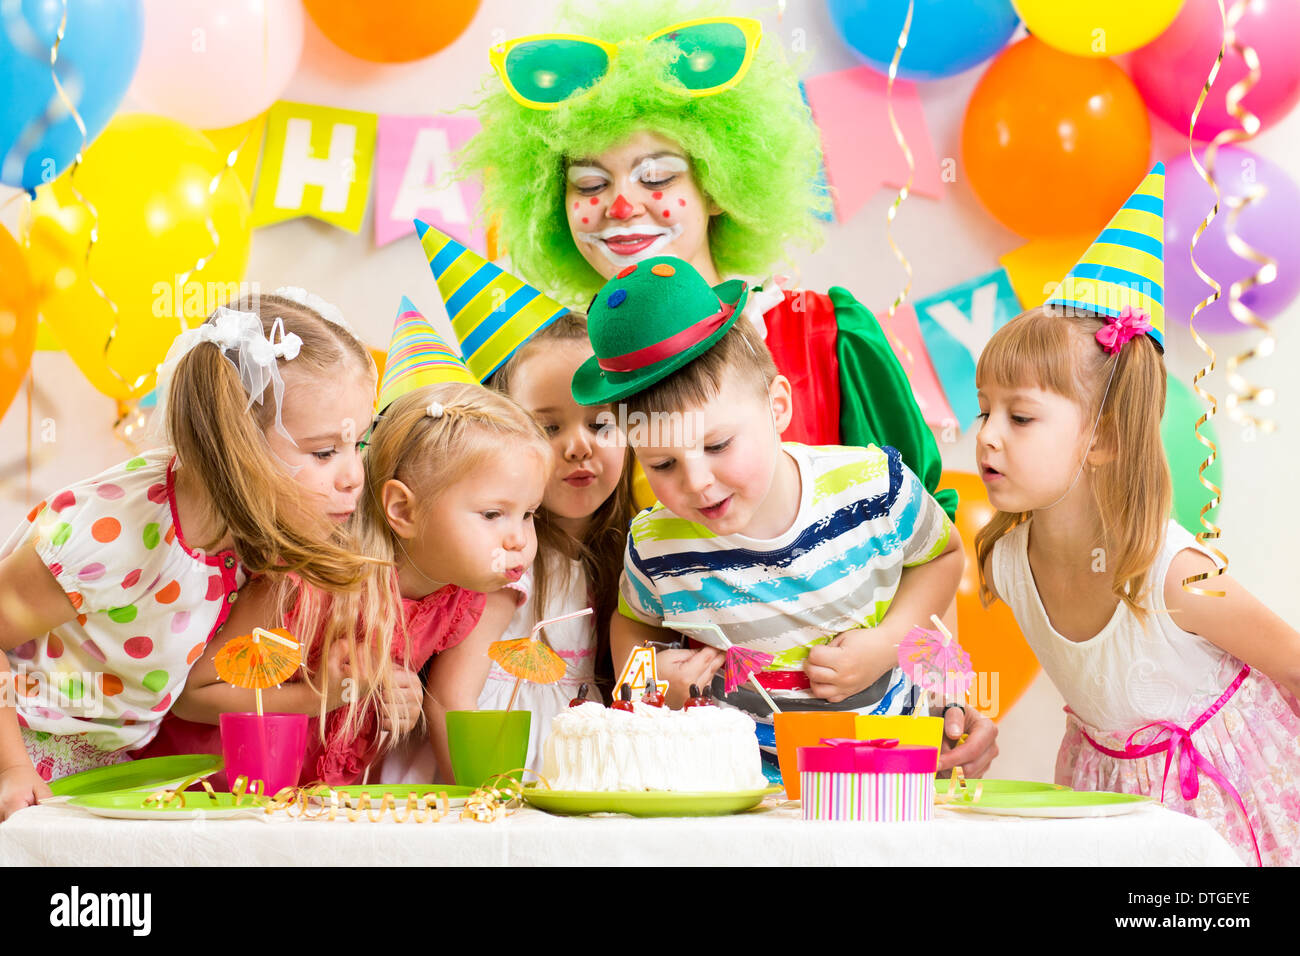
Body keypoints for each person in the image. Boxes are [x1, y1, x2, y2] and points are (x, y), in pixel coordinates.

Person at [461, 0, 957, 521]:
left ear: (718, 188)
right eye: (590, 184)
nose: (622, 205)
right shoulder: (549, 373)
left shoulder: (826, 335)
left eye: (657, 178)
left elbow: (926, 523)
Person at [974, 166, 1300, 865]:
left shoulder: (1176, 576)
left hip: (1227, 807)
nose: (987, 435)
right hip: (1105, 801)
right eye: (984, 410)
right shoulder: (1007, 560)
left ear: (1105, 440)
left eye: (1020, 416)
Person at [573, 256, 995, 778]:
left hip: (879, 775)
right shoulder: (657, 545)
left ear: (777, 406)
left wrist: (887, 646)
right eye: (663, 463)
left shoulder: (871, 487)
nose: (698, 481)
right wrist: (650, 677)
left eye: (718, 444)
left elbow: (942, 555)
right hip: (734, 792)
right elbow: (633, 622)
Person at [0, 291, 378, 819]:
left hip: (104, 768)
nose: (353, 476)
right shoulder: (115, 534)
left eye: (357, 445)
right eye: (323, 452)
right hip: (23, 750)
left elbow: (195, 687)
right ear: (237, 441)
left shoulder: (250, 537)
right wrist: (11, 769)